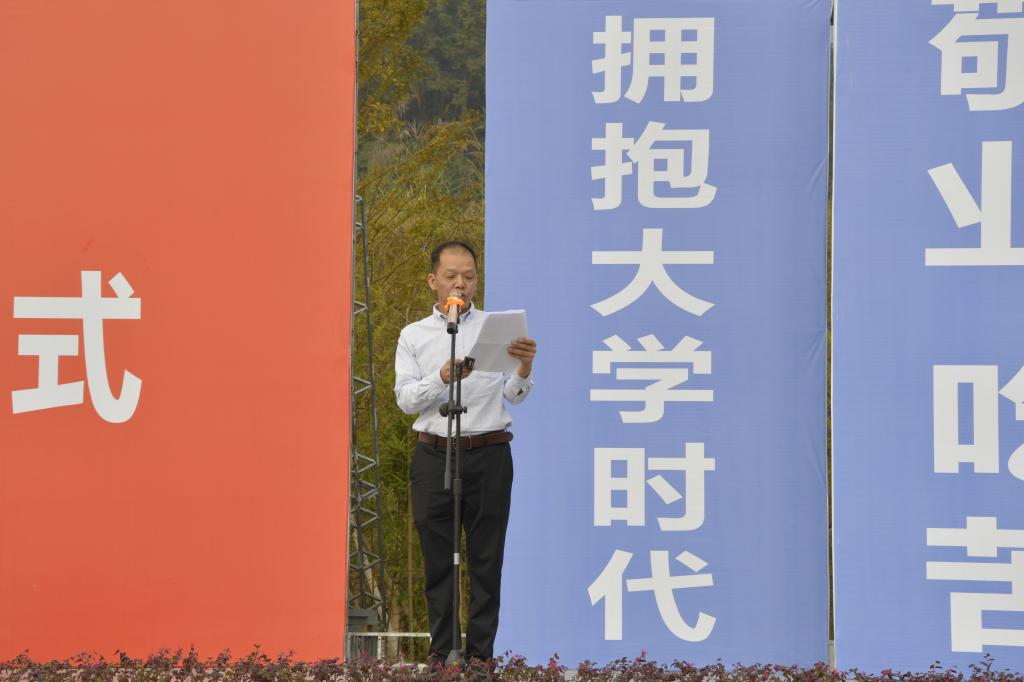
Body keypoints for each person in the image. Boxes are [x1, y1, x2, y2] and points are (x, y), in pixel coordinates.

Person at [394, 240, 537, 665]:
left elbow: (513, 394)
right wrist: (441, 377)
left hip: (489, 452)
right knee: (438, 563)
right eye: (452, 276)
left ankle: (479, 661)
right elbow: (406, 400)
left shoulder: (495, 329)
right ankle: (441, 657)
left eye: (470, 276)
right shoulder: (414, 335)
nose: (462, 283)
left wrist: (524, 369)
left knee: (486, 562)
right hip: (434, 455)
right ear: (433, 281)